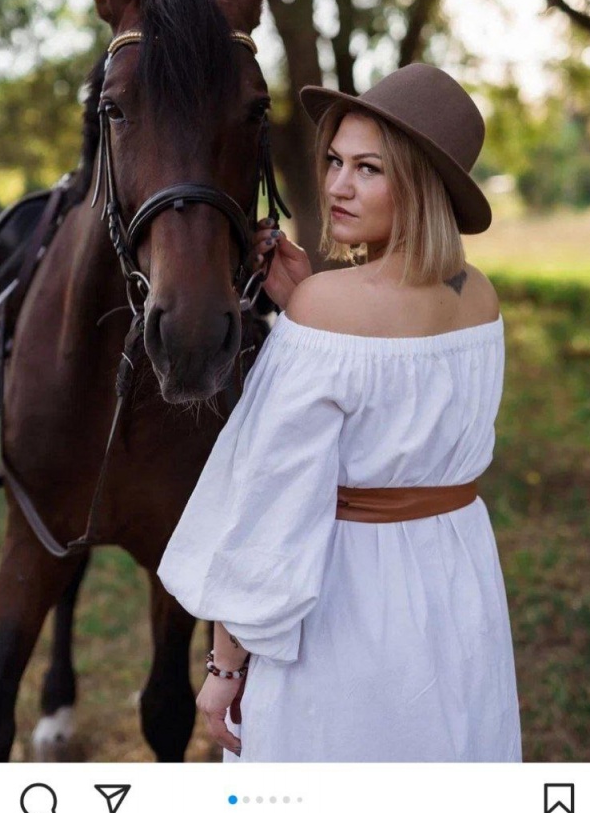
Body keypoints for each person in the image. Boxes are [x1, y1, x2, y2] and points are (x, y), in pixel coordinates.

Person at [157, 63, 522, 763]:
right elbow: (396, 397)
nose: (335, 186)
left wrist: (226, 666)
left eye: (368, 169)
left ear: (418, 183)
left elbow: (266, 503)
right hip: (455, 585)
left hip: (348, 599)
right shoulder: (479, 295)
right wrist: (307, 306)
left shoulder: (329, 311)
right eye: (332, 161)